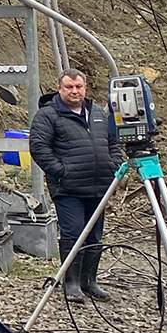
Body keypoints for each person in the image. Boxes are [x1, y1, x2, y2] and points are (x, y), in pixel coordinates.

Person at [28, 69, 119, 304]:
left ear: (85, 87)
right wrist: (61, 171)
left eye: (78, 86)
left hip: (99, 185)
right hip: (68, 188)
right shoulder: (48, 116)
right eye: (69, 87)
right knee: (73, 233)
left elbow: (114, 143)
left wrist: (114, 166)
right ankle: (72, 282)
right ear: (60, 88)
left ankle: (90, 281)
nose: (74, 91)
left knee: (95, 235)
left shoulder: (98, 114)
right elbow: (39, 148)